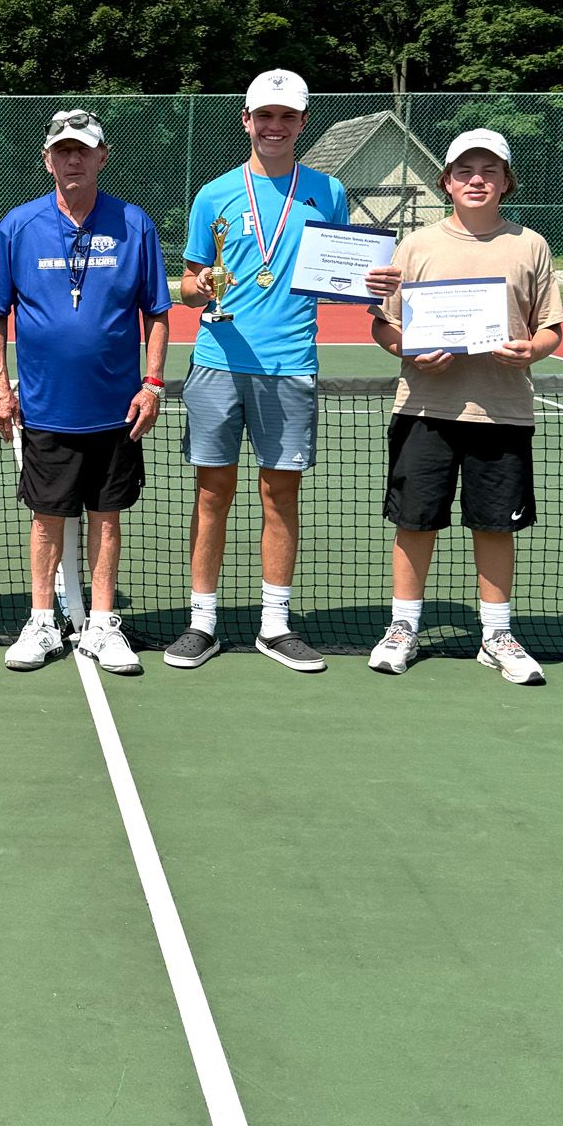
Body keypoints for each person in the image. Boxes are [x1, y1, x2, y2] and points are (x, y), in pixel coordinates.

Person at [164, 69, 399, 674]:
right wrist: (200, 287)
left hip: (291, 365)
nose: (274, 126)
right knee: (211, 495)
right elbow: (190, 285)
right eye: (263, 116)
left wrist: (371, 285)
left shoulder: (327, 191)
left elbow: (345, 276)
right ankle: (202, 622)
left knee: (280, 495)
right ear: (246, 120)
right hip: (218, 363)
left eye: (286, 117)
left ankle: (274, 624)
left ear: (300, 124)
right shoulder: (213, 195)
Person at [367, 130, 563, 684]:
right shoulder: (414, 245)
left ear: (506, 181)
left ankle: (496, 636)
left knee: (495, 526)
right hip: (425, 407)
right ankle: (403, 628)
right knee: (414, 522)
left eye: (489, 170)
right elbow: (384, 325)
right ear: (446, 181)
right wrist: (407, 348)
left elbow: (550, 330)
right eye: (464, 170)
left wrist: (531, 350)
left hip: (502, 412)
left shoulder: (531, 244)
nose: (476, 179)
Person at [0, 107, 170, 674]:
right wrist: (0, 386)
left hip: (117, 408)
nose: (73, 159)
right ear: (47, 160)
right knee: (46, 520)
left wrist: (153, 384)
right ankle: (43, 621)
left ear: (101, 157)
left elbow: (157, 313)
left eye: (83, 150)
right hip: (44, 407)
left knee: (106, 518)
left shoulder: (135, 224)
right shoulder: (18, 226)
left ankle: (103, 624)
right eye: (62, 150)